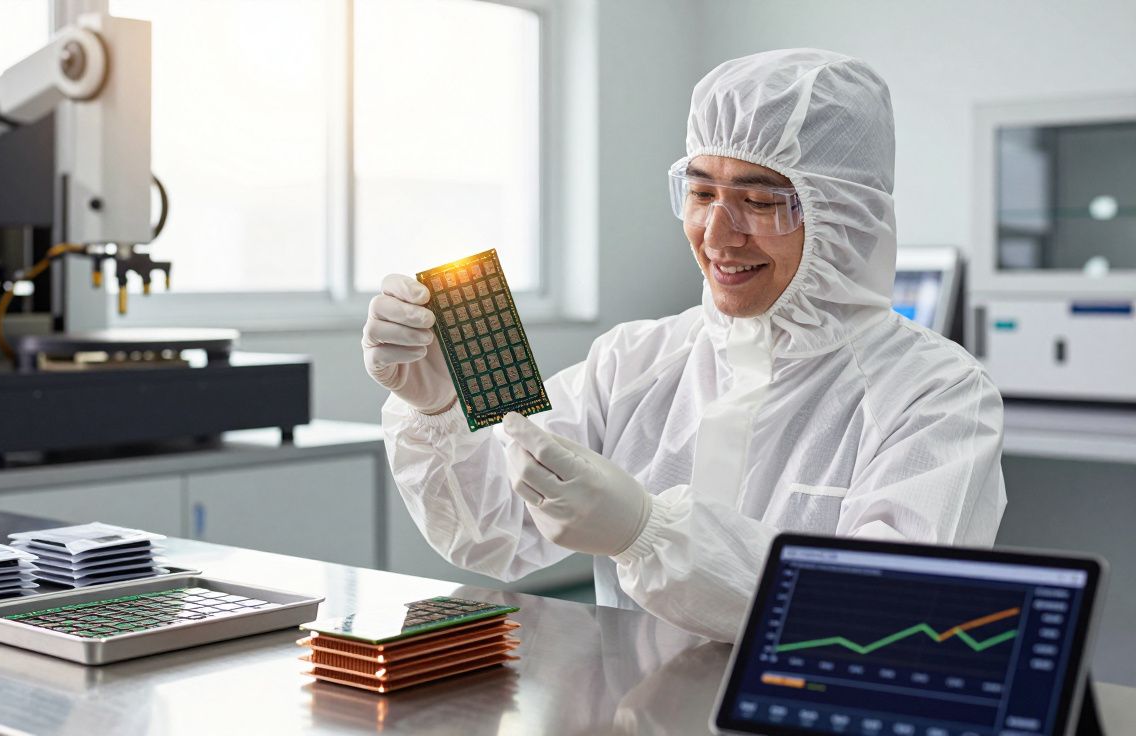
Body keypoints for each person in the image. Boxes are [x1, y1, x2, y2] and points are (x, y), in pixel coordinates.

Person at [360, 48, 1006, 642]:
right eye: (700, 193)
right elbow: (493, 535)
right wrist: (441, 409)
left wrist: (649, 532)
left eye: (758, 200)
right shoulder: (633, 363)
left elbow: (889, 620)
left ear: (844, 215)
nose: (718, 234)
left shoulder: (938, 394)